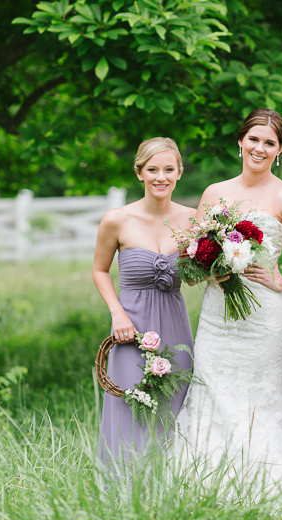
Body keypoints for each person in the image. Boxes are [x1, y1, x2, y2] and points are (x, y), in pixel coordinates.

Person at [173, 108, 282, 494]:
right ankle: (205, 488)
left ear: (279, 150)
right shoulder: (215, 192)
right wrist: (209, 267)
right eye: (254, 139)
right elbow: (190, 255)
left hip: (264, 319)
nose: (260, 148)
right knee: (212, 388)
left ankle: (270, 488)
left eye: (269, 143)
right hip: (217, 317)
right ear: (240, 141)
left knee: (260, 397)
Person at [93, 137, 195, 480]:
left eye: (169, 169)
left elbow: (197, 276)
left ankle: (171, 486)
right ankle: (123, 486)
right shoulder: (117, 220)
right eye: (152, 169)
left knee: (174, 404)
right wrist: (117, 313)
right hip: (131, 326)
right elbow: (99, 270)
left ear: (179, 172)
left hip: (176, 326)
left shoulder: (193, 221)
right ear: (139, 172)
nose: (160, 177)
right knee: (130, 404)